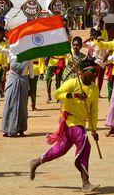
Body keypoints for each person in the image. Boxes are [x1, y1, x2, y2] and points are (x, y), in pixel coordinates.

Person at [30, 59, 100, 193]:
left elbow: (94, 110)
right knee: (85, 145)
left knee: (59, 151)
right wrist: (74, 95)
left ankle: (36, 162)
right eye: (93, 71)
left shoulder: (94, 89)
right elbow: (57, 94)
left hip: (80, 122)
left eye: (96, 72)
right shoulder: (73, 83)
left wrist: (94, 130)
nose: (95, 74)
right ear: (82, 72)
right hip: (70, 120)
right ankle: (85, 182)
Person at [0, 32, 34, 137]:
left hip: (23, 82)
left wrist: (31, 89)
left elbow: (31, 72)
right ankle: (8, 129)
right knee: (10, 104)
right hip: (12, 81)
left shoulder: (28, 55)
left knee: (22, 106)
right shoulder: (11, 52)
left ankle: (21, 129)